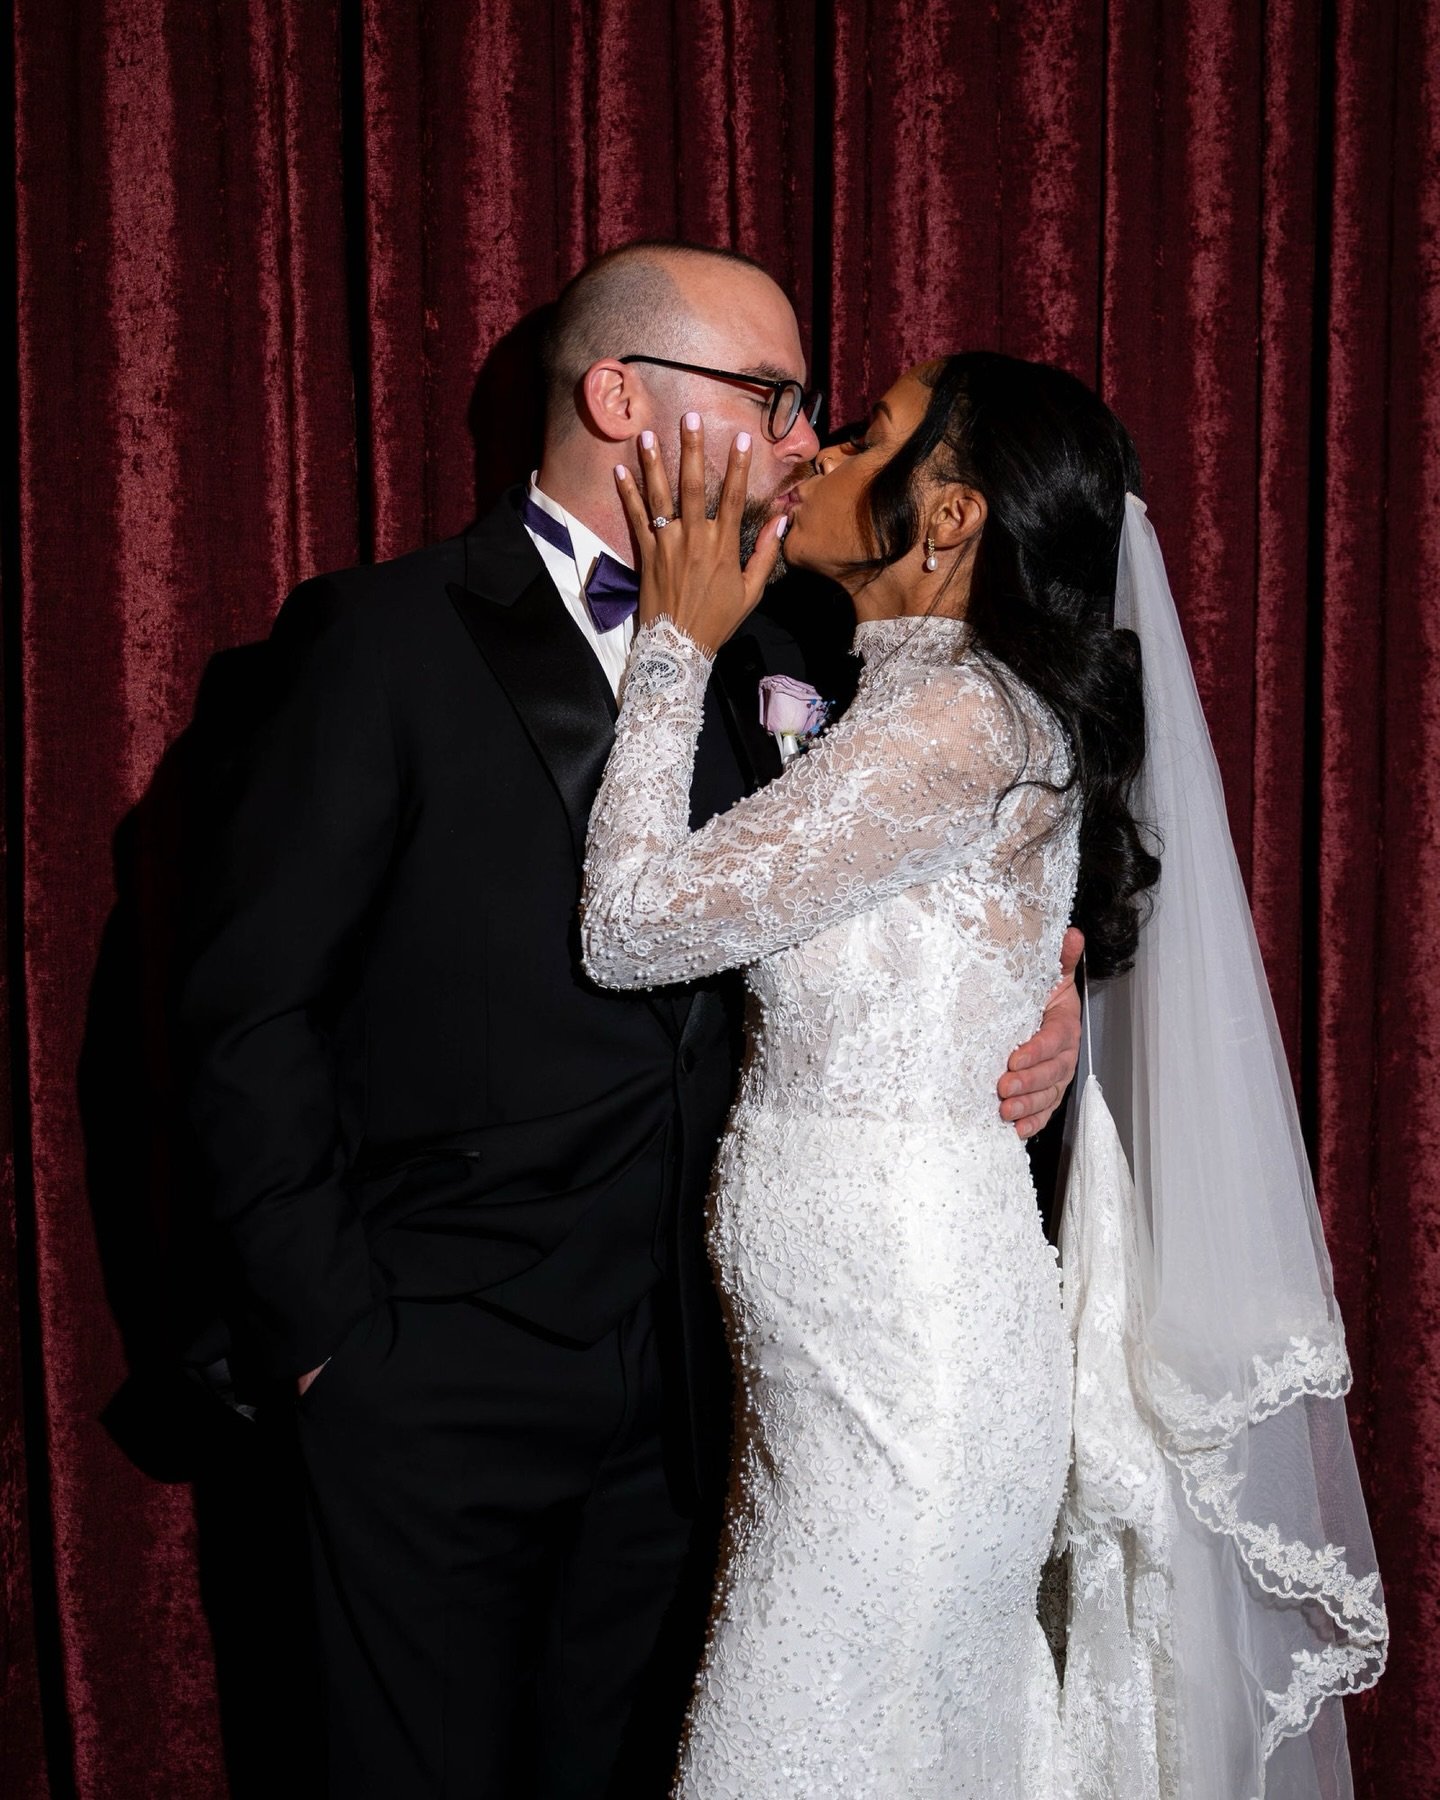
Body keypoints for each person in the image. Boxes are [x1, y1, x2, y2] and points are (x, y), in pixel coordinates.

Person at [178, 246, 1082, 1799]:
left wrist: (1035, 1005)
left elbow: (935, 901)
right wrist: (334, 1344)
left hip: (718, 1394)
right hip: (432, 1377)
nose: (805, 438)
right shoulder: (381, 638)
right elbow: (243, 1010)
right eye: (774, 396)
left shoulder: (808, 660)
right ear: (618, 399)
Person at [579, 351, 1385, 1796]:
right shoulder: (933, 703)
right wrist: (1046, 991)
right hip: (858, 1352)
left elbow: (633, 926)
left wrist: (674, 649)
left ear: (948, 519)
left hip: (908, 1362)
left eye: (869, 435)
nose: (820, 451)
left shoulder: (957, 719)